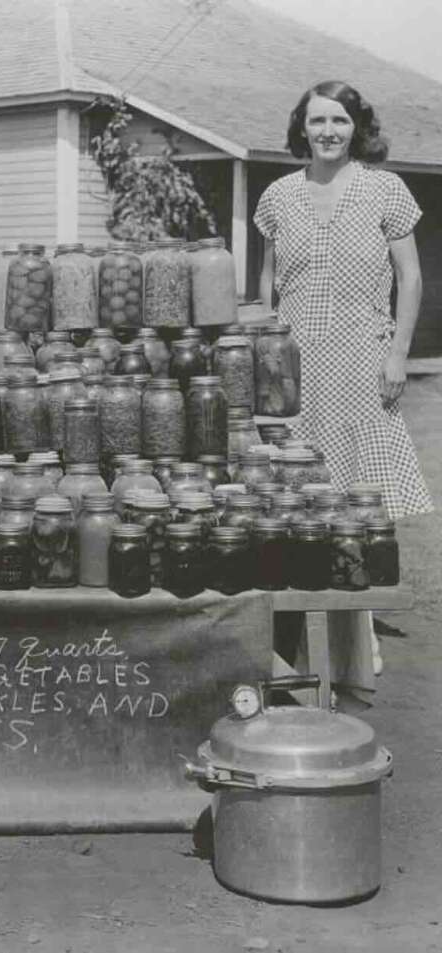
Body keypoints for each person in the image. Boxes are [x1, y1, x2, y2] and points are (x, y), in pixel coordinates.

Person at [257, 80, 432, 688]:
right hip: (295, 371)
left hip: (363, 359)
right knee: (297, 497)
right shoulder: (278, 196)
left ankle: (355, 652)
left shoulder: (386, 189)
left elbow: (410, 278)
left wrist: (399, 352)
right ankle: (288, 648)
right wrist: (265, 363)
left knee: (357, 500)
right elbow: (266, 292)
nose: (328, 131)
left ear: (357, 128)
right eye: (317, 121)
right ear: (300, 129)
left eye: (339, 121)